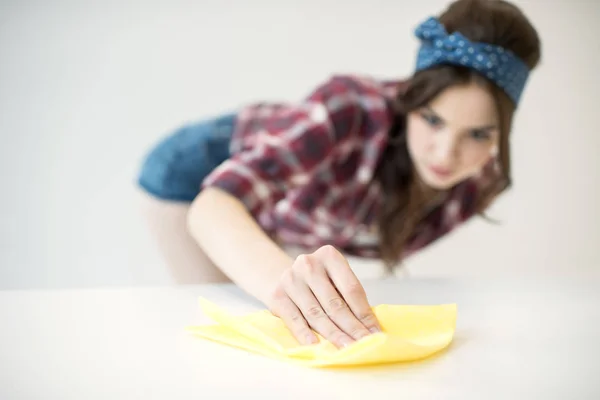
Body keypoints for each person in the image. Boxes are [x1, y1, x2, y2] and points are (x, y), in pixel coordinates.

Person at [137, 0, 541, 348]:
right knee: (234, 322)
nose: (446, 154)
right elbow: (213, 207)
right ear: (411, 97)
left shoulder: (482, 180)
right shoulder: (349, 107)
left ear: (500, 132)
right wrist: (286, 286)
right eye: (431, 119)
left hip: (285, 209)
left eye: (477, 134)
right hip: (198, 174)